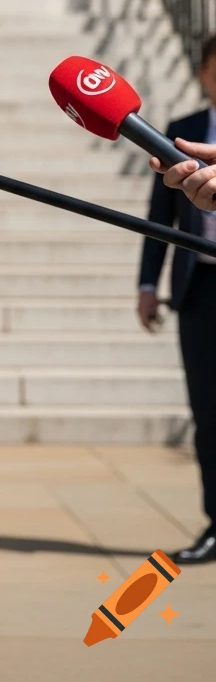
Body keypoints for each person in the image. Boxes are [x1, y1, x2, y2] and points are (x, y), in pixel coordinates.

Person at [139, 35, 216, 565]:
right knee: (208, 410)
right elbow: (157, 217)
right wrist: (149, 284)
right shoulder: (183, 130)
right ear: (201, 73)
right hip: (199, 288)